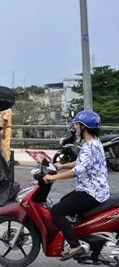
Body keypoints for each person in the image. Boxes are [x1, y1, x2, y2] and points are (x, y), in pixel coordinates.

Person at [43, 110, 109, 261]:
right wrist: (60, 166)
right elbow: (81, 162)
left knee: (57, 211)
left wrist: (53, 177)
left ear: (84, 127)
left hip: (91, 192)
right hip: (96, 189)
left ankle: (74, 246)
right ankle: (86, 237)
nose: (76, 128)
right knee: (64, 202)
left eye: (78, 125)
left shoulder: (88, 146)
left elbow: (77, 171)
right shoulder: (95, 142)